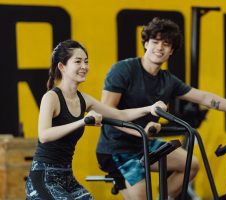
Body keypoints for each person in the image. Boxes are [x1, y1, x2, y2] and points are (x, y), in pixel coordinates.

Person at [96, 17, 226, 200]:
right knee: (144, 196)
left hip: (143, 144)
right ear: (145, 44)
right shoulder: (124, 70)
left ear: (171, 51)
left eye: (166, 44)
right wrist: (140, 132)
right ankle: (123, 180)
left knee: (191, 164)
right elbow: (106, 112)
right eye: (155, 42)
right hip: (115, 148)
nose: (159, 48)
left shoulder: (168, 81)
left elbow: (205, 98)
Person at [24, 39, 167, 200]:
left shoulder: (84, 99)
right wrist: (83, 121)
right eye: (78, 61)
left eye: (86, 61)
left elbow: (120, 115)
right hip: (43, 177)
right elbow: (44, 135)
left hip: (66, 177)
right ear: (62, 67)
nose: (84, 66)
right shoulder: (51, 97)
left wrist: (149, 108)